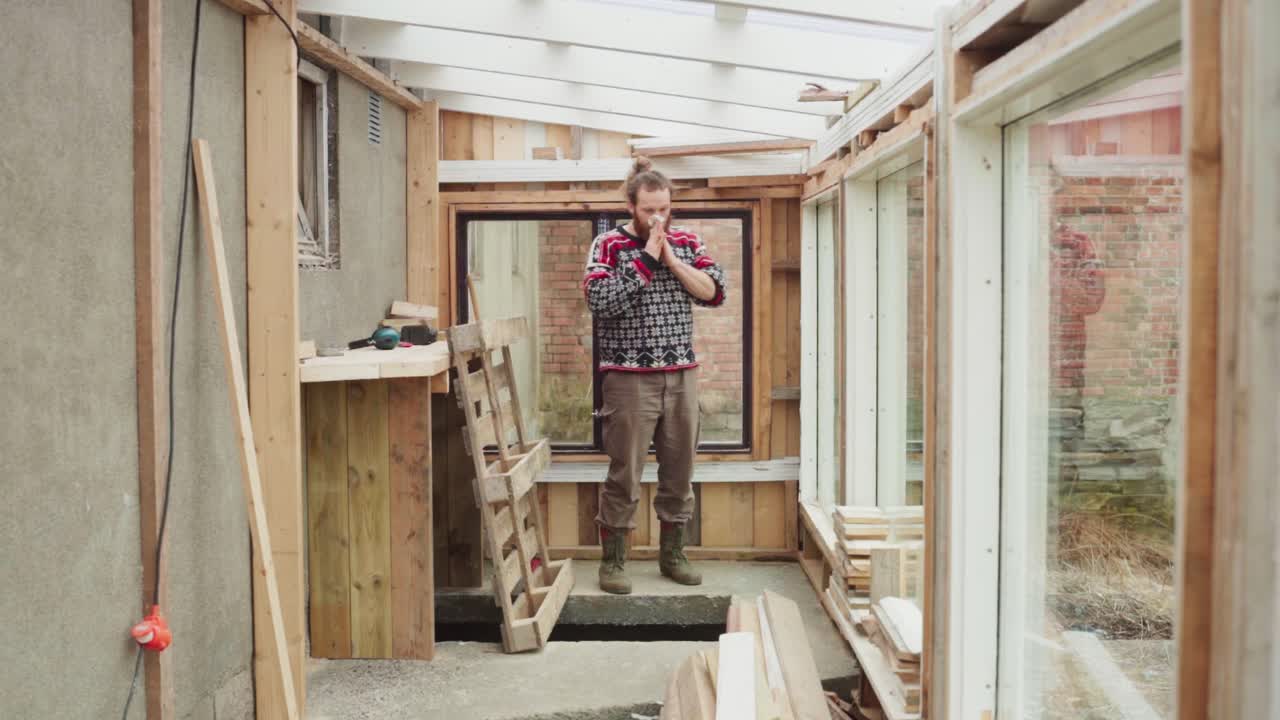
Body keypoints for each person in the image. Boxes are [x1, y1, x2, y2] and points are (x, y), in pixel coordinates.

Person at [581, 157, 727, 595]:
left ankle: (673, 555)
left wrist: (672, 260)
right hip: (628, 378)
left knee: (680, 469)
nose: (658, 217)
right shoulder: (607, 245)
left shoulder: (687, 242)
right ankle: (614, 561)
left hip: (681, 375)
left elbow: (715, 292)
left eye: (664, 208)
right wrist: (646, 258)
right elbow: (600, 301)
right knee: (625, 470)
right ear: (631, 205)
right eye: (649, 210)